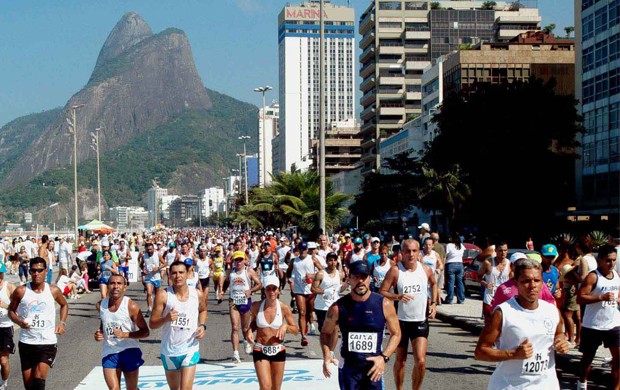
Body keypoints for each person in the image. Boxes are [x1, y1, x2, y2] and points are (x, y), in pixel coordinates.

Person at [474, 258, 570, 389]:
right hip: (510, 385)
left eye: (537, 280)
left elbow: (558, 334)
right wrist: (513, 354)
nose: (532, 286)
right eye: (526, 281)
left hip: (546, 385)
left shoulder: (552, 311)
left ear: (542, 283)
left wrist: (561, 342)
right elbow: (480, 352)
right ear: (516, 283)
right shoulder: (503, 313)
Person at [321, 261, 401, 390]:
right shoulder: (337, 307)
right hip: (349, 369)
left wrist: (384, 357)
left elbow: (396, 333)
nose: (360, 281)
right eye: (356, 277)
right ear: (349, 279)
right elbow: (325, 333)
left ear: (370, 279)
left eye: (364, 277)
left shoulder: (384, 304)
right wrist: (327, 354)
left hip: (374, 368)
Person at [379, 239, 438, 390]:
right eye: (407, 251)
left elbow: (434, 283)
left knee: (421, 361)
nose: (411, 254)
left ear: (419, 252)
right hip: (400, 322)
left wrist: (433, 304)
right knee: (401, 360)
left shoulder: (425, 269)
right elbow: (382, 291)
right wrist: (397, 296)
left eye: (414, 251)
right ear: (402, 253)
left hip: (420, 321)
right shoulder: (395, 270)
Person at [9, 257, 69, 390]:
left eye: (40, 270)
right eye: (33, 270)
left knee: (38, 379)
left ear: (46, 271)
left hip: (47, 342)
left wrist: (62, 323)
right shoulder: (21, 291)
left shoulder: (53, 290)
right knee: (29, 385)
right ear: (29, 272)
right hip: (27, 342)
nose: (37, 273)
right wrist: (19, 321)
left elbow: (64, 305)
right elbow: (11, 311)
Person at [149, 261, 207, 390]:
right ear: (169, 275)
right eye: (174, 273)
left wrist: (202, 325)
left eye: (181, 272)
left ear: (187, 274)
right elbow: (152, 324)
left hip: (190, 348)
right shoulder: (163, 295)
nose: (178, 276)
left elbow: (203, 310)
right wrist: (166, 319)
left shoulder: (197, 294)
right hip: (169, 350)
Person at [94, 274, 149, 390]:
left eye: (119, 283)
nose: (115, 286)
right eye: (112, 283)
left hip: (129, 350)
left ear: (125, 287)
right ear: (108, 286)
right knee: (114, 388)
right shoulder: (100, 305)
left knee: (132, 388)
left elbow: (145, 332)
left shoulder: (131, 306)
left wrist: (125, 334)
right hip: (109, 352)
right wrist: (99, 333)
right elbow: (104, 324)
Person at [576, 244, 619, 390]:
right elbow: (580, 298)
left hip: (613, 323)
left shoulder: (616, 275)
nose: (611, 264)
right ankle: (582, 382)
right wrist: (600, 297)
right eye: (608, 260)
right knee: (588, 359)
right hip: (593, 324)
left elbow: (617, 292)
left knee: (618, 358)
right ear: (600, 260)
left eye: (614, 260)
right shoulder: (593, 276)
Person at [249, 275, 299, 390]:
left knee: (276, 388)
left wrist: (285, 326)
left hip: (278, 350)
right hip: (260, 349)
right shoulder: (256, 306)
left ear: (278, 290)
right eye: (268, 288)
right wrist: (250, 331)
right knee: (265, 387)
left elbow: (296, 330)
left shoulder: (284, 308)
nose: (271, 292)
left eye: (274, 288)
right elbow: (253, 323)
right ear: (264, 290)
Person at [229, 251, 262, 363]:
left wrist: (251, 290)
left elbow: (259, 284)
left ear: (244, 260)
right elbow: (225, 283)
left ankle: (246, 341)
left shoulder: (249, 271)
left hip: (245, 302)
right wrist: (222, 292)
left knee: (244, 328)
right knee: (234, 327)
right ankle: (235, 353)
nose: (238, 262)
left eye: (240, 260)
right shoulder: (231, 272)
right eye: (236, 260)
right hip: (234, 302)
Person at [491, 252, 556, 309]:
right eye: (517, 264)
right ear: (511, 266)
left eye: (524, 263)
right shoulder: (502, 288)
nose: (521, 266)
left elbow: (551, 302)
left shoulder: (541, 285)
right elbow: (494, 312)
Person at [288, 242, 322, 347]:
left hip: (310, 289)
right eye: (301, 249)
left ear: (307, 250)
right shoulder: (294, 261)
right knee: (302, 312)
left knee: (310, 311)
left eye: (304, 249)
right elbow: (288, 272)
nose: (303, 251)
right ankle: (303, 336)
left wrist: (311, 275)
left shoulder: (312, 259)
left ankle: (308, 323)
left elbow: (322, 272)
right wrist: (290, 279)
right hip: (299, 290)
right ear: (298, 250)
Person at [478, 241, 511, 324]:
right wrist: (485, 284)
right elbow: (478, 277)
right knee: (489, 323)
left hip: (504, 297)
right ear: (495, 251)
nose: (503, 253)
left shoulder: (510, 264)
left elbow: (512, 281)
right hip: (490, 297)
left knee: (504, 323)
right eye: (500, 250)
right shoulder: (488, 263)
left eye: (505, 250)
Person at [312, 252, 344, 332]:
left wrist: (346, 285)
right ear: (326, 261)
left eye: (334, 260)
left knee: (334, 329)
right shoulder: (321, 274)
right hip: (322, 306)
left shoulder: (340, 274)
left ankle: (330, 344)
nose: (332, 262)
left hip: (334, 304)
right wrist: (325, 291)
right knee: (323, 329)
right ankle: (325, 343)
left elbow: (340, 289)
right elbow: (313, 289)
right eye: (330, 260)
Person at [0, 263, 16, 390]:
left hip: (5, 327)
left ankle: (4, 383)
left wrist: (6, 305)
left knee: (3, 360)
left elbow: (21, 307)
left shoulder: (9, 287)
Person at [140, 243, 163, 317]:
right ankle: (149, 309)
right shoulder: (144, 256)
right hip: (148, 277)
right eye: (148, 249)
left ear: (153, 249)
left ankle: (157, 308)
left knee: (157, 294)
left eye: (151, 249)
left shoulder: (157, 255)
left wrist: (158, 268)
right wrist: (143, 270)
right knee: (149, 293)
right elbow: (141, 264)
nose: (149, 251)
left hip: (157, 277)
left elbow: (165, 263)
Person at [444, 232, 465, 304]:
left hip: (451, 264)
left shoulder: (449, 245)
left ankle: (450, 299)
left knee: (451, 282)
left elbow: (446, 255)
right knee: (460, 282)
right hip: (460, 264)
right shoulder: (461, 246)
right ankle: (461, 299)